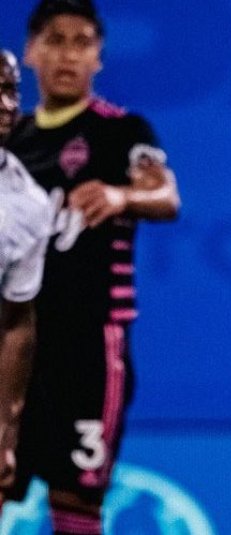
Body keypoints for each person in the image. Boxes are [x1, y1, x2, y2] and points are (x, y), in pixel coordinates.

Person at [4, 1, 180, 532]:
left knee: (77, 501)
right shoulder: (12, 139)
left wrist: (121, 196)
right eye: (56, 40)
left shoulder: (120, 131)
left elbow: (167, 195)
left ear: (99, 59)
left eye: (83, 43)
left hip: (88, 348)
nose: (68, 54)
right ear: (32, 50)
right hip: (13, 341)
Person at [0, 48, 50, 517]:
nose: (4, 103)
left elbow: (16, 324)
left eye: (10, 89)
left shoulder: (29, 205)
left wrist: (5, 429)